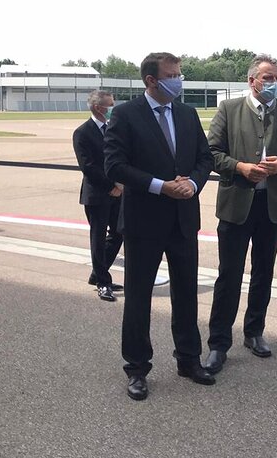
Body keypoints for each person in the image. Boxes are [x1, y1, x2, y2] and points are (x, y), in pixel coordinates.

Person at [104, 52, 215, 401]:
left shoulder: (186, 113)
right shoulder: (125, 114)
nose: (178, 79)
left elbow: (204, 157)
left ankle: (188, 359)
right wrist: (160, 185)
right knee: (139, 297)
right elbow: (115, 166)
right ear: (151, 80)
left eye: (179, 73)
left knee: (186, 294)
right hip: (143, 221)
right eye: (172, 74)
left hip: (183, 217)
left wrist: (193, 184)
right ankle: (137, 368)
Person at [203, 54, 277, 375]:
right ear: (251, 81)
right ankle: (218, 343)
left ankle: (254, 332)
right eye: (267, 78)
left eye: (276, 77)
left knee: (263, 272)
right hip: (237, 204)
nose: (273, 83)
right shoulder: (229, 110)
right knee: (229, 275)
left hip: (272, 206)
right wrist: (240, 167)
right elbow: (210, 153)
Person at [73, 90, 124, 302]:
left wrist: (120, 184)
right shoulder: (82, 133)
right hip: (97, 193)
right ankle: (103, 281)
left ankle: (98, 273)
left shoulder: (115, 128)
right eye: (109, 105)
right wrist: (111, 185)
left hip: (118, 190)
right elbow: (89, 167)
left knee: (119, 233)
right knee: (98, 236)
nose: (113, 108)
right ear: (97, 107)